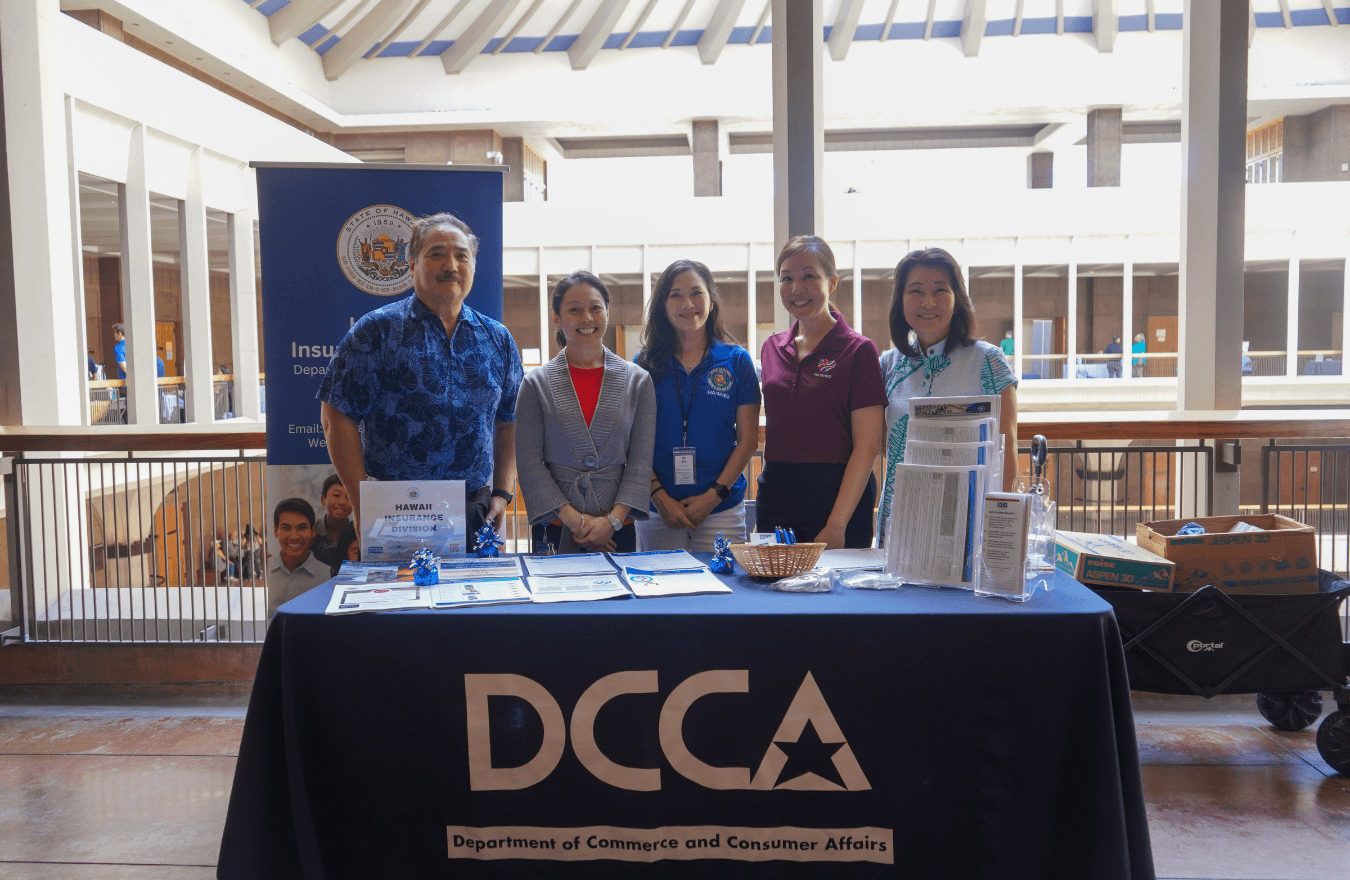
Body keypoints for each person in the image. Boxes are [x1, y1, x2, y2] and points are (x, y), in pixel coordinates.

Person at [318, 213, 524, 551]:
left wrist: (502, 493)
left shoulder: (497, 338)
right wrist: (362, 504)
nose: (451, 264)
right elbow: (335, 417)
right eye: (437, 253)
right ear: (412, 264)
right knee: (403, 604)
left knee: (476, 603)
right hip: (396, 512)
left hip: (478, 511)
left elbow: (509, 422)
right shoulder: (377, 331)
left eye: (462, 255)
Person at [875, 247, 1019, 545]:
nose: (928, 302)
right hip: (902, 521)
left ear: (957, 299)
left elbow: (1007, 449)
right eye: (915, 291)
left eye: (940, 290)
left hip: (970, 523)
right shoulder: (888, 364)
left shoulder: (989, 361)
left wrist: (999, 529)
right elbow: (878, 443)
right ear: (901, 303)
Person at [758, 236, 885, 550]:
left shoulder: (858, 350)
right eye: (786, 278)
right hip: (775, 496)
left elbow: (868, 447)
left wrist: (836, 525)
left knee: (838, 597)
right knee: (774, 592)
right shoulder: (772, 348)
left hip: (836, 499)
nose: (796, 288)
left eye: (808, 276)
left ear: (832, 282)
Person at [515, 271, 656, 553]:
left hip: (617, 528)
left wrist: (612, 521)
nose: (587, 318)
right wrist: (575, 521)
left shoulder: (638, 381)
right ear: (557, 317)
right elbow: (529, 463)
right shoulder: (535, 383)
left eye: (595, 308)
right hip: (555, 525)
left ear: (607, 312)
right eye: (574, 310)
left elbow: (641, 463)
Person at [635, 260, 761, 551]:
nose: (687, 303)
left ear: (712, 299)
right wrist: (659, 497)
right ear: (662, 306)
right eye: (676, 295)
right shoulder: (644, 364)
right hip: (658, 509)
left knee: (722, 588)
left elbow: (748, 440)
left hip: (722, 506)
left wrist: (713, 497)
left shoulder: (737, 361)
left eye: (696, 293)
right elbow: (634, 441)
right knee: (662, 591)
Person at [267, 497, 328, 618]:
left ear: (313, 531)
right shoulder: (265, 569)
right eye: (286, 528)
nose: (294, 536)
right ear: (275, 531)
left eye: (302, 528)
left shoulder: (327, 575)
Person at [310, 474, 352, 568]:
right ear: (323, 500)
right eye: (336, 495)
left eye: (349, 497)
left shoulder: (357, 535)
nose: (342, 502)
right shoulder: (309, 531)